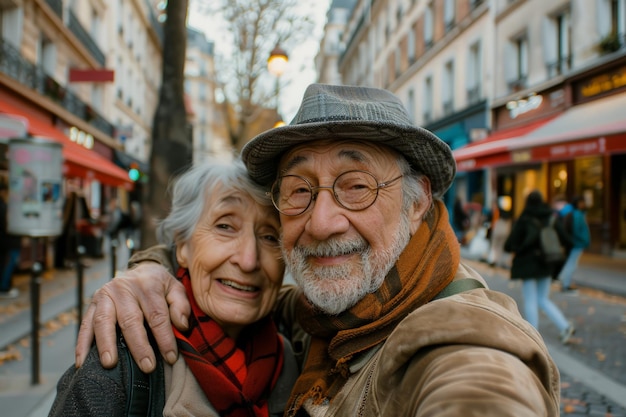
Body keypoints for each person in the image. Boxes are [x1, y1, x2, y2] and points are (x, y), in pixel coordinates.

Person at [76, 84, 560, 416]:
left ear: (418, 204)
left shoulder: (467, 340)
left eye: (356, 186)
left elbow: (482, 386)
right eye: (300, 190)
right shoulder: (319, 315)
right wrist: (150, 273)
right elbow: (249, 289)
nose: (321, 223)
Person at [50, 159, 298, 416]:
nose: (248, 260)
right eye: (225, 226)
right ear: (181, 246)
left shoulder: (295, 359)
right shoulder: (119, 367)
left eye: (270, 236)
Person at [504, 190, 575, 344]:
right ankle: (564, 326)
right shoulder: (551, 217)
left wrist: (520, 248)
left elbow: (509, 245)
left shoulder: (524, 218)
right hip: (547, 263)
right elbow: (567, 240)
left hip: (528, 265)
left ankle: (533, 336)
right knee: (543, 299)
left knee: (530, 300)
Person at [557, 196, 591, 293]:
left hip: (576, 243)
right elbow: (577, 230)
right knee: (572, 264)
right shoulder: (577, 214)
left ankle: (564, 282)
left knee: (571, 263)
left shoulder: (578, 214)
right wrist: (584, 240)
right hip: (577, 243)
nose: (583, 205)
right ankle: (565, 283)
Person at [0, 182, 22, 298]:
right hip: (8, 242)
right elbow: (6, 225)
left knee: (5, 263)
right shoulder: (3, 206)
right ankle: (4, 287)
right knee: (8, 264)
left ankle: (4, 286)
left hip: (5, 242)